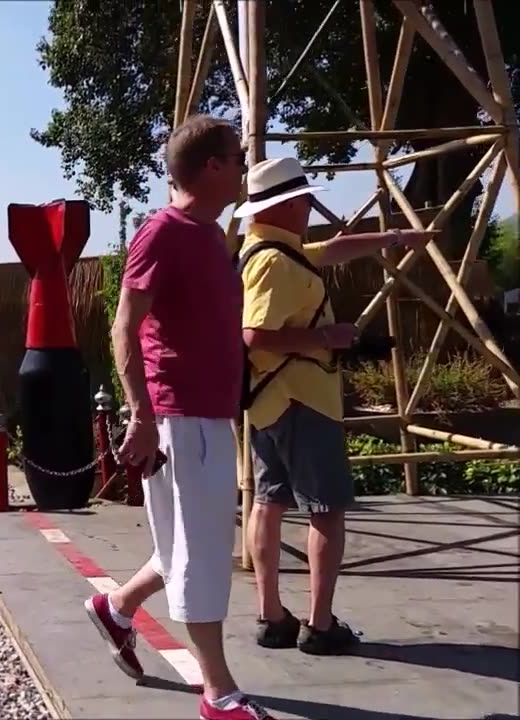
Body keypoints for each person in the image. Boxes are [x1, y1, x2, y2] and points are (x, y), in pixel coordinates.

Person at [88, 114, 271, 720]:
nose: (244, 165)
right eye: (237, 156)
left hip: (205, 415)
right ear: (213, 166)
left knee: (185, 544)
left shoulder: (209, 234)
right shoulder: (163, 231)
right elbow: (124, 326)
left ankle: (115, 608)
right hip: (178, 417)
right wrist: (140, 415)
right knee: (203, 552)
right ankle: (218, 693)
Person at [235, 157, 430, 655]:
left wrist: (391, 240)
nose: (309, 208)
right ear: (285, 204)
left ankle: (272, 616)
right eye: (303, 200)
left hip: (267, 403)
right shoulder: (275, 262)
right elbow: (255, 334)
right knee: (326, 511)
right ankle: (320, 626)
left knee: (268, 502)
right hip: (303, 398)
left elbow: (332, 250)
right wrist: (327, 335)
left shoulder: (269, 248)